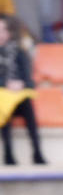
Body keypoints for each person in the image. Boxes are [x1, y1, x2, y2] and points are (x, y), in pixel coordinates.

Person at [0, 14, 44, 165]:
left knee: (28, 104)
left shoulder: (19, 52)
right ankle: (8, 154)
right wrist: (6, 85)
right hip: (2, 97)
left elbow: (28, 78)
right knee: (3, 107)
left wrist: (21, 85)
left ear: (10, 32)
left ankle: (37, 152)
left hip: (19, 95)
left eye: (3, 30)